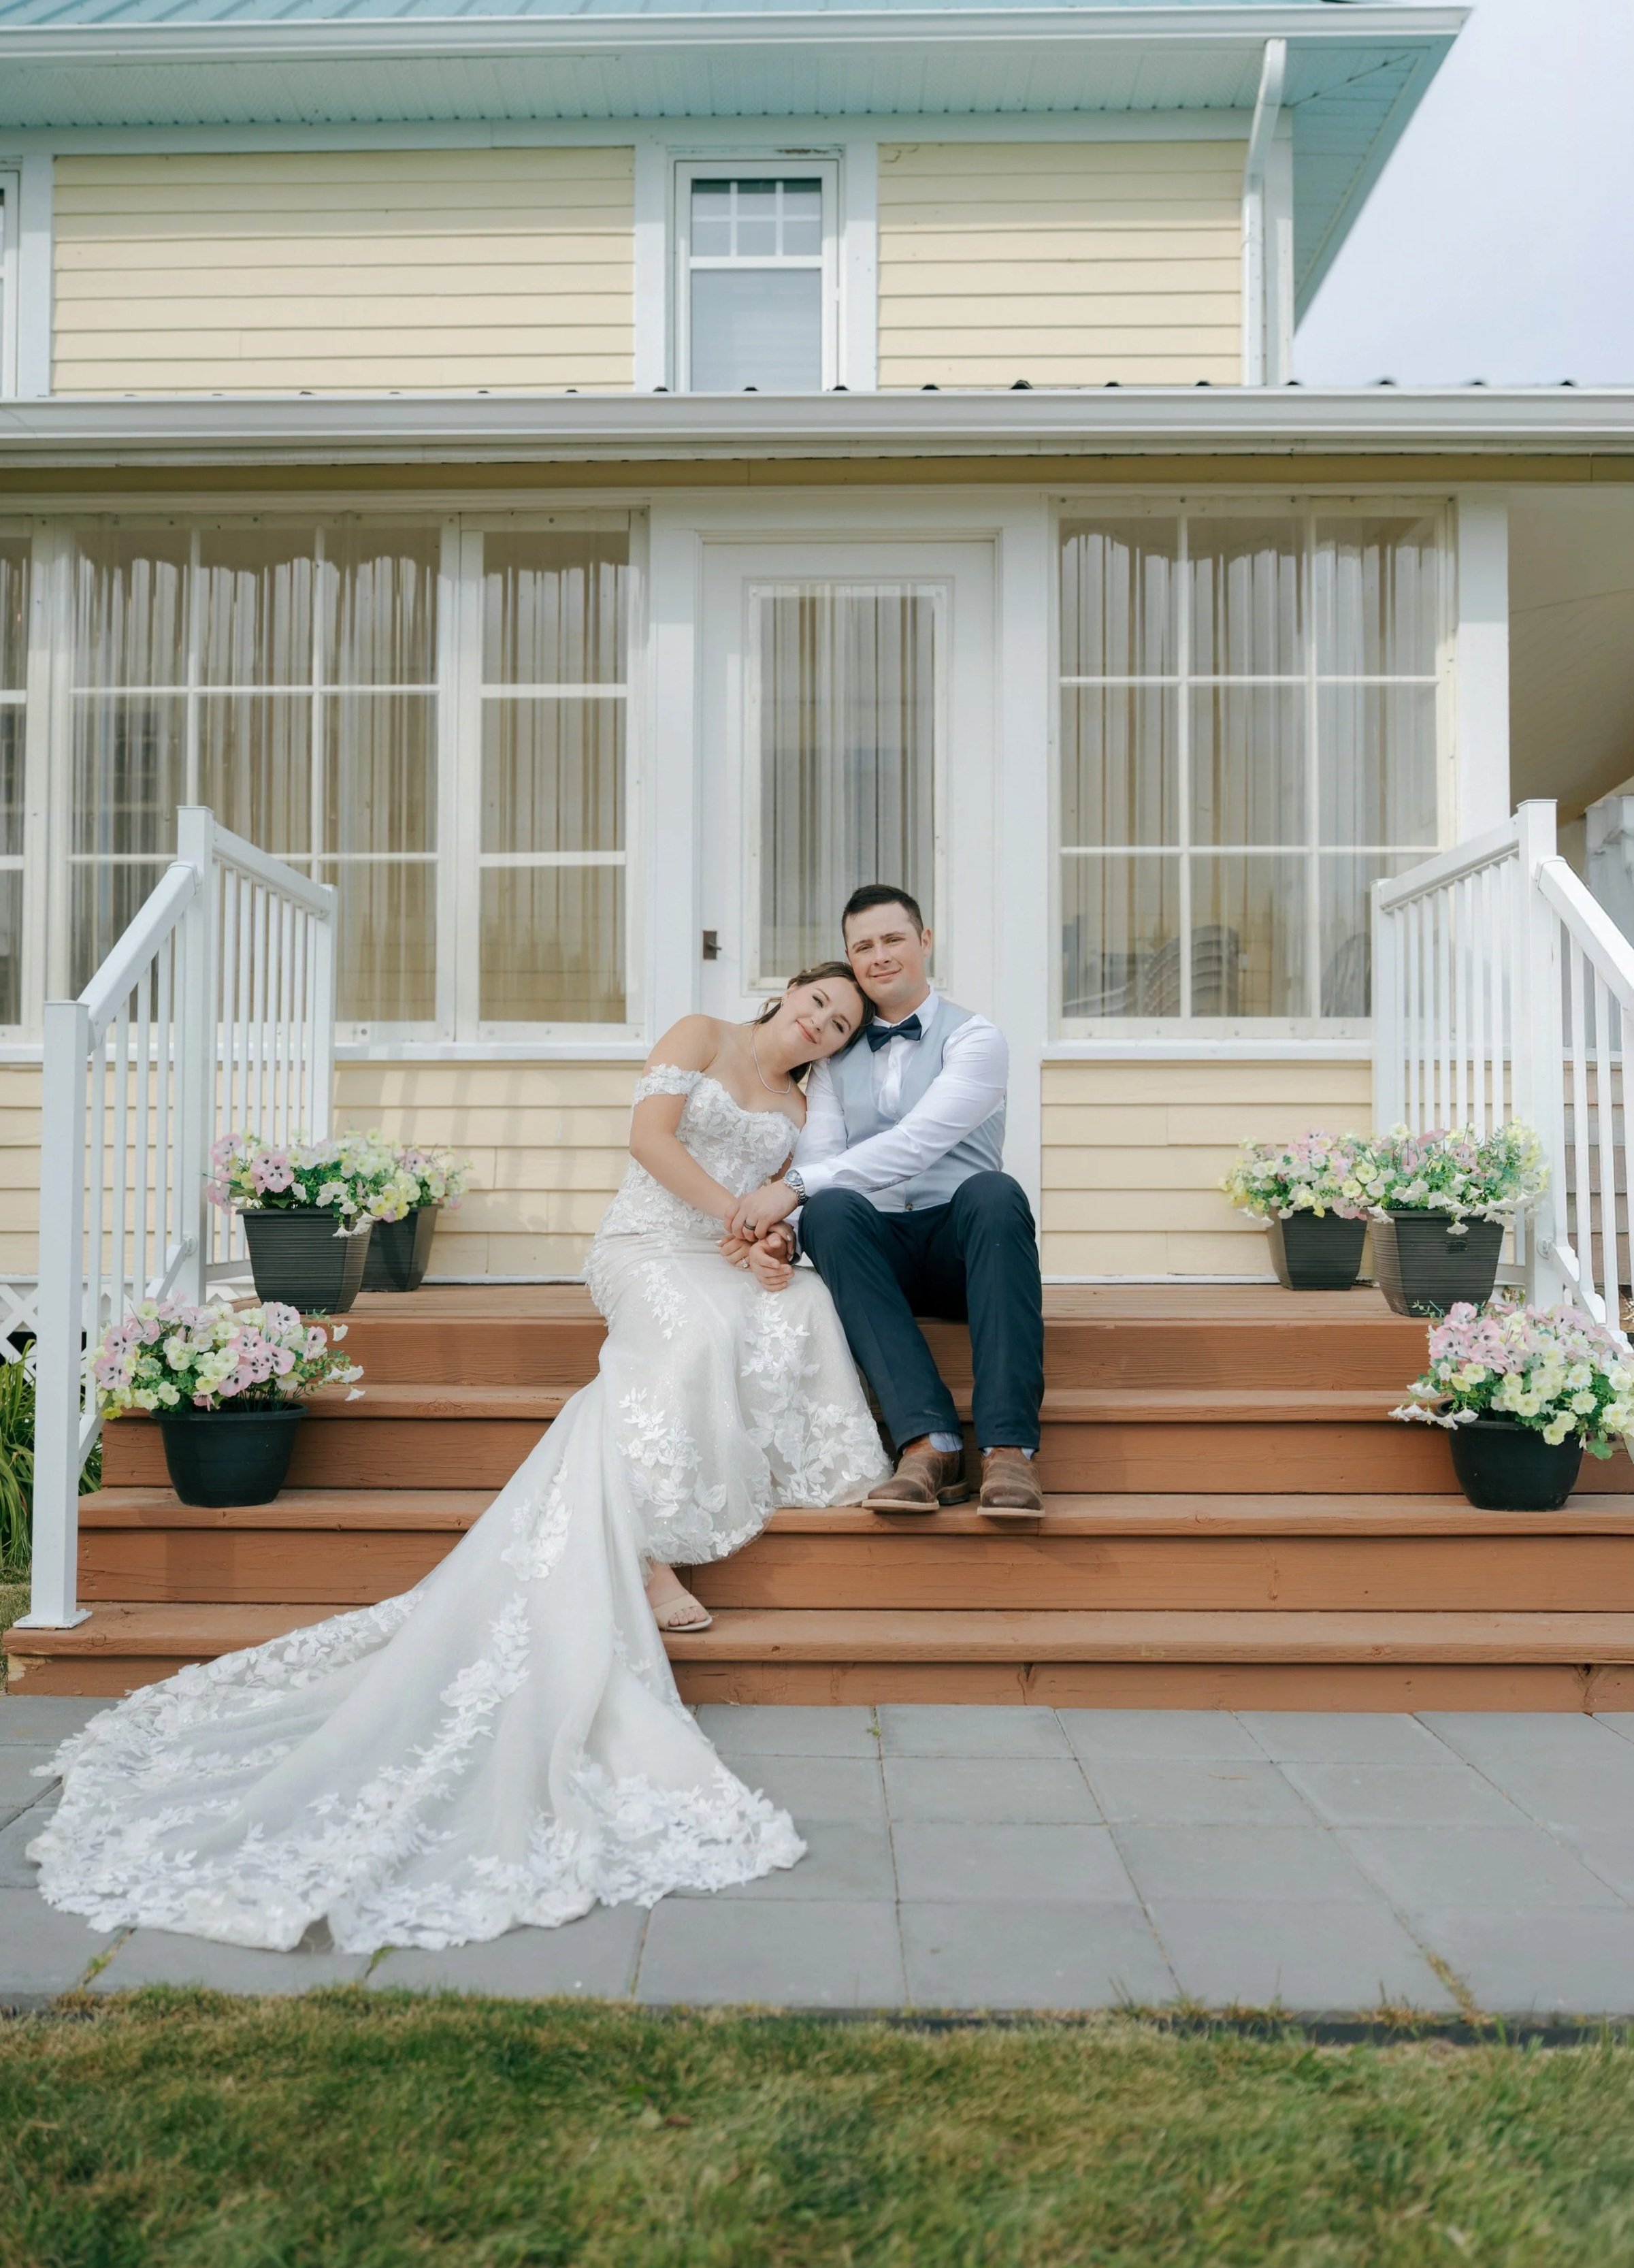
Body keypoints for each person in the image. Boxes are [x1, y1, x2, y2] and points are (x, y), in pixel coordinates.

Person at [29, 965, 889, 1954]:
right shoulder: (701, 1033)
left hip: (721, 1252)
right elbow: (646, 1140)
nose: (822, 1023)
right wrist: (740, 1205)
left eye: (839, 1023)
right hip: (645, 1247)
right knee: (689, 1339)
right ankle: (648, 1547)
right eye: (817, 1002)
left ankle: (778, 1473)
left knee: (804, 1304)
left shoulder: (801, 1102)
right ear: (786, 993)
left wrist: (762, 1242)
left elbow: (777, 1214)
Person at [728, 886, 1046, 1519]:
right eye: (862, 946)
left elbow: (916, 1144)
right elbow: (820, 1162)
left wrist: (786, 1189)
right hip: (881, 1260)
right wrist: (784, 1227)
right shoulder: (834, 1057)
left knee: (994, 1191)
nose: (879, 956)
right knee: (831, 1208)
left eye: (892, 939)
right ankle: (928, 1442)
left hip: (964, 1251)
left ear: (924, 942)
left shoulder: (977, 1040)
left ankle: (1009, 1450)